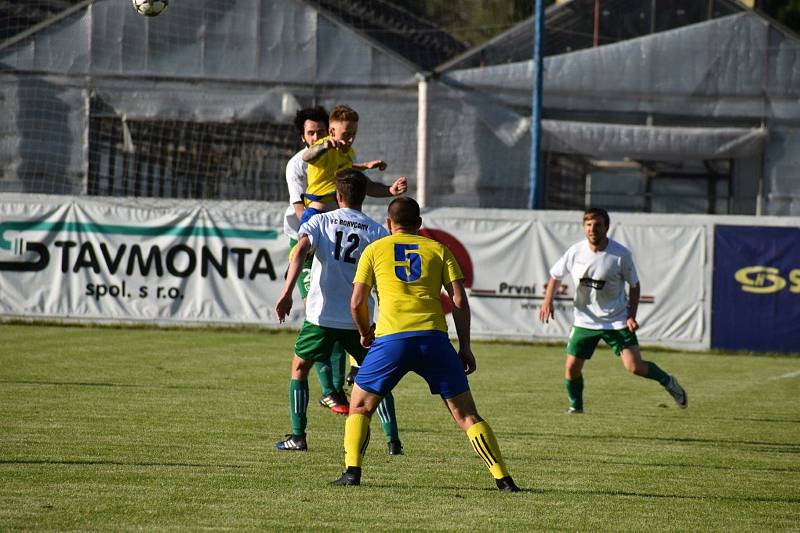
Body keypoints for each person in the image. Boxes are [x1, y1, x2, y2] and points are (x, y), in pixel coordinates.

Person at [332, 197, 520, 492]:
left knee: (359, 406)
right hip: (433, 339)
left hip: (391, 339)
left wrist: (365, 331)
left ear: (389, 223)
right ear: (419, 224)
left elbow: (356, 303)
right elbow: (458, 300)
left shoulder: (374, 250)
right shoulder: (438, 249)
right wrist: (465, 346)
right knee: (467, 415)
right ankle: (503, 479)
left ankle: (352, 472)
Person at [275, 170, 403, 454]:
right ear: (364, 195)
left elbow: (299, 252)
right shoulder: (377, 231)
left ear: (338, 196)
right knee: (376, 376)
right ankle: (393, 440)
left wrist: (285, 294)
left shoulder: (321, 221)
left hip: (322, 315)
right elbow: (384, 280)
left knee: (299, 368)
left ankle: (298, 436)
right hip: (360, 321)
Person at [538, 207, 688, 414]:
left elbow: (634, 285)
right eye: (588, 225)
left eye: (597, 225)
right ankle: (576, 408)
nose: (592, 229)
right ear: (584, 227)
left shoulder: (620, 254)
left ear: (606, 227)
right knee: (572, 368)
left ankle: (668, 381)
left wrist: (631, 316)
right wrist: (548, 301)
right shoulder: (575, 252)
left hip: (616, 319)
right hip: (585, 320)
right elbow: (556, 275)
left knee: (635, 367)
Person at [284, 106, 349, 415]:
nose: (316, 136)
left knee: (337, 311)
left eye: (321, 131)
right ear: (303, 136)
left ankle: (336, 386)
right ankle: (330, 391)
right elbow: (301, 211)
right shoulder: (298, 163)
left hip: (332, 237)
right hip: (307, 241)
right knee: (318, 309)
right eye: (311, 132)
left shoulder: (339, 155)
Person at [300, 104, 406, 225]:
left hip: (338, 222)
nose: (351, 140)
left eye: (353, 134)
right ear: (331, 132)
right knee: (304, 244)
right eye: (346, 134)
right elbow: (306, 156)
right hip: (316, 215)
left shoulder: (350, 153)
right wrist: (324, 146)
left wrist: (390, 190)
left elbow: (367, 186)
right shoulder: (323, 145)